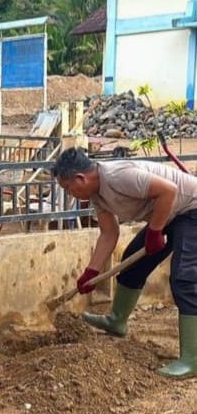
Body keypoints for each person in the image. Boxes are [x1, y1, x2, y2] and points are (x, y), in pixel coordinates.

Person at [52, 147, 197, 378]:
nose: (70, 194)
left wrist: (155, 231)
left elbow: (169, 191)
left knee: (184, 279)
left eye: (68, 188)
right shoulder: (97, 195)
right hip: (168, 213)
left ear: (81, 178)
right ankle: (117, 321)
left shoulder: (118, 176)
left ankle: (192, 359)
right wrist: (92, 271)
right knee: (131, 267)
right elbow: (109, 233)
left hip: (191, 210)